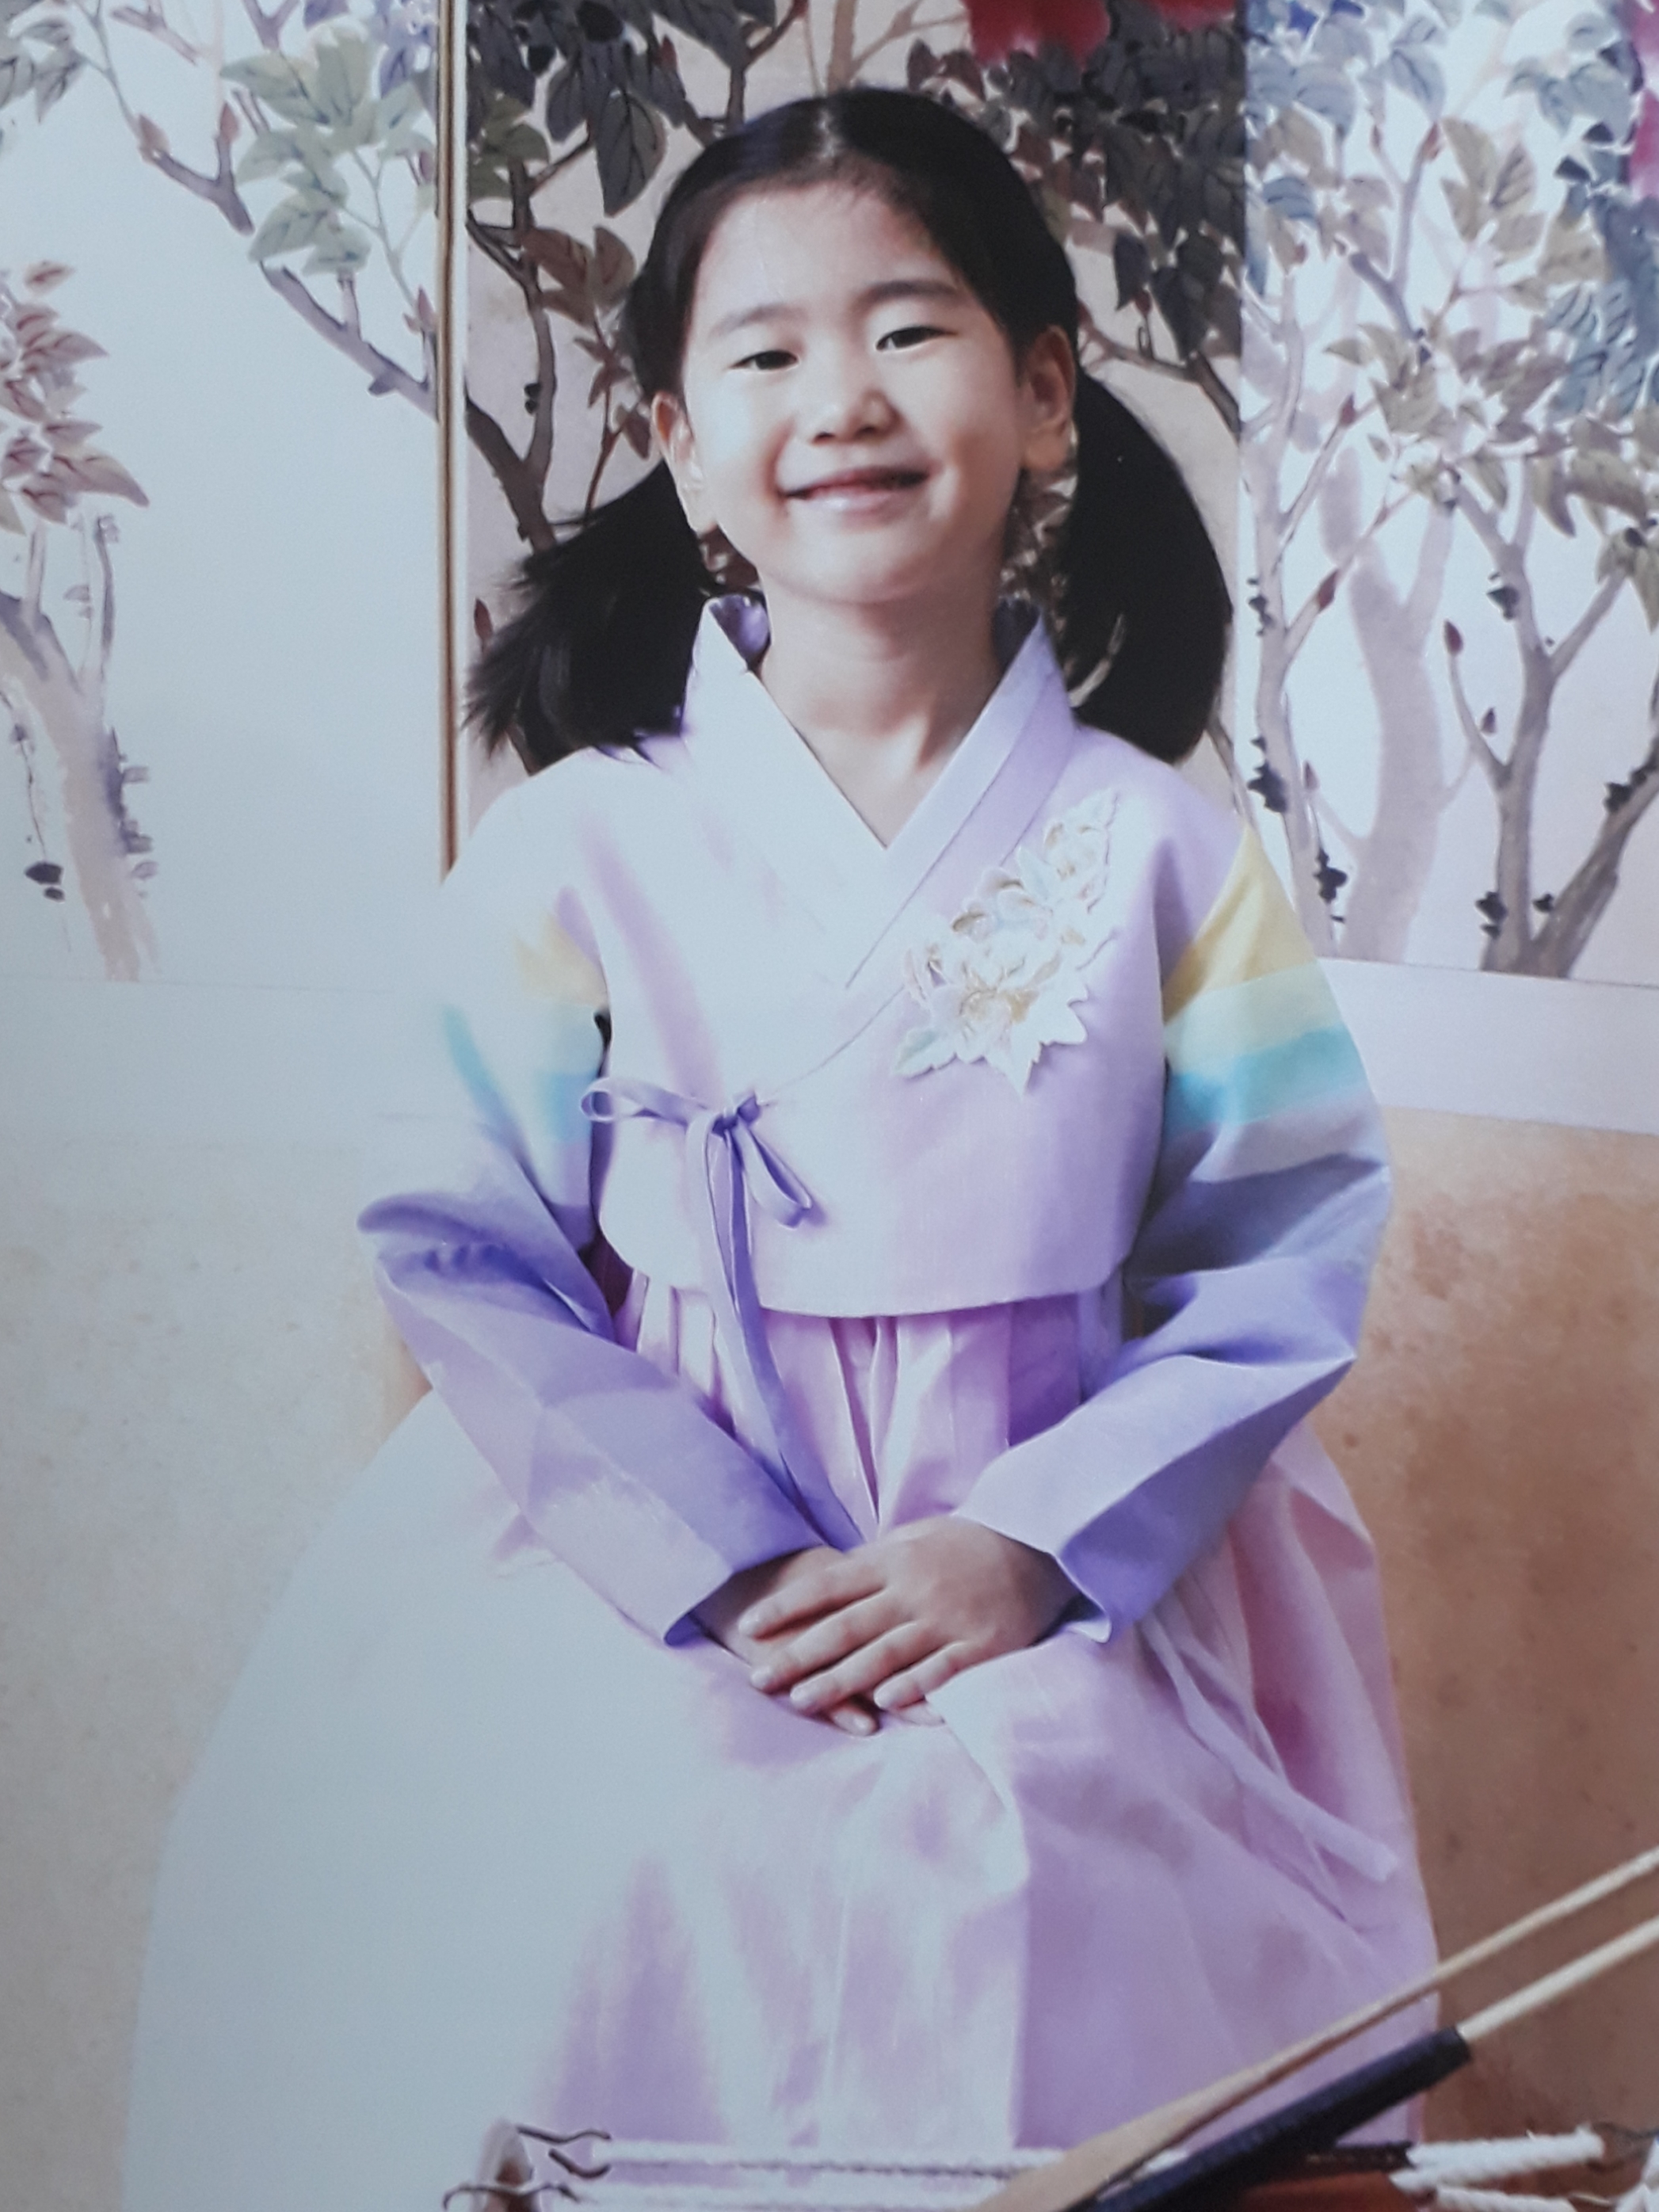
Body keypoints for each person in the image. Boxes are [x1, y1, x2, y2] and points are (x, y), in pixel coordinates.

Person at [121, 87, 1437, 2212]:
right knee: (613, 1880)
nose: (842, 398)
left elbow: (1277, 1255)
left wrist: (1026, 1549)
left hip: (1060, 1571)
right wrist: (724, 1560)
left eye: (909, 329)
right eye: (765, 352)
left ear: (1043, 391)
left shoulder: (1167, 856)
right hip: (645, 1561)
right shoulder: (578, 845)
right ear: (677, 438)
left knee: (1044, 1887)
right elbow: (460, 1241)